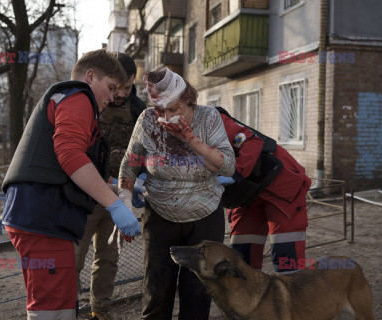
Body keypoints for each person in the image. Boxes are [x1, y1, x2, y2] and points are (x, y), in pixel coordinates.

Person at [1, 49, 141, 320]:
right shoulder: (79, 96)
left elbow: (80, 164)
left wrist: (116, 187)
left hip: (43, 217)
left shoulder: (69, 100)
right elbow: (70, 155)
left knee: (62, 304)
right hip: (43, 218)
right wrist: (114, 205)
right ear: (90, 77)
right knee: (50, 309)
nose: (112, 97)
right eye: (110, 87)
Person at [118, 67, 235, 320]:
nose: (166, 116)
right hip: (160, 215)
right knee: (156, 292)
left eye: (174, 109)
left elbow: (227, 165)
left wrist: (190, 138)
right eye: (161, 110)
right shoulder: (147, 120)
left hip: (204, 215)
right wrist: (124, 200)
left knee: (198, 294)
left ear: (187, 98)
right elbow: (132, 160)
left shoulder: (208, 117)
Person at [74, 53, 146, 320]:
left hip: (120, 196)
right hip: (87, 194)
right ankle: (68, 309)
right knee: (74, 257)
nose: (120, 94)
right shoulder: (89, 103)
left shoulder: (138, 109)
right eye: (117, 88)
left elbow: (144, 149)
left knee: (108, 259)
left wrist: (140, 178)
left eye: (127, 88)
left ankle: (99, 309)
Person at [216, 107, 311, 274]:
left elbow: (251, 144)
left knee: (288, 260)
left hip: (280, 183)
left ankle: (293, 296)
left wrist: (233, 174)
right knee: (241, 256)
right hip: (247, 192)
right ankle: (249, 296)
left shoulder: (212, 120)